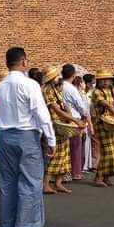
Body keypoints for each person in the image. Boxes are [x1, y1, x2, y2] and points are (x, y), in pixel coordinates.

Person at [0, 47, 55, 227]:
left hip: (5, 136)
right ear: (24, 62)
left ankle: (8, 225)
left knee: (8, 183)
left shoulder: (1, 86)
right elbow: (41, 113)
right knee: (30, 182)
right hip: (26, 135)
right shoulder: (29, 84)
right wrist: (51, 138)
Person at [41, 65, 80, 194]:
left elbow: (63, 105)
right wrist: (74, 120)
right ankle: (45, 184)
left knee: (64, 155)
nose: (59, 77)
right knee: (54, 155)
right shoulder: (47, 89)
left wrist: (71, 117)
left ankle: (58, 183)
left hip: (63, 123)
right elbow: (55, 109)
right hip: (54, 124)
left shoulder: (56, 88)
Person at [62, 65, 89, 181]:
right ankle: (75, 172)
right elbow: (80, 105)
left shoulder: (58, 86)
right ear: (73, 75)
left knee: (65, 148)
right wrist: (84, 115)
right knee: (75, 147)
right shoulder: (71, 88)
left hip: (62, 118)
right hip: (74, 119)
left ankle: (64, 172)